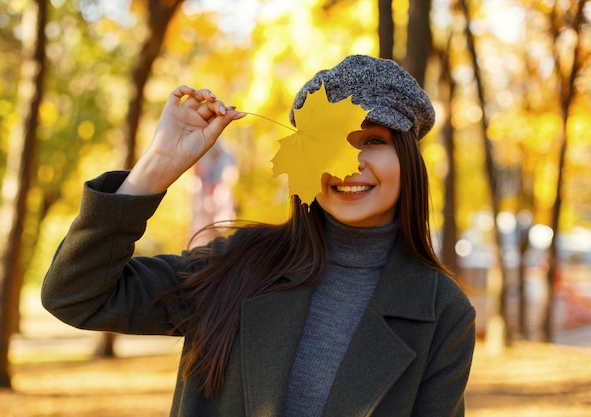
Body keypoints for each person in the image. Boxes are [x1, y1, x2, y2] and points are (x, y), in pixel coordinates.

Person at [41, 55, 476, 417]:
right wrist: (156, 167)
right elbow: (76, 295)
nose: (349, 162)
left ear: (407, 159)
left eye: (373, 140)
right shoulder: (239, 264)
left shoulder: (442, 312)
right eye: (329, 143)